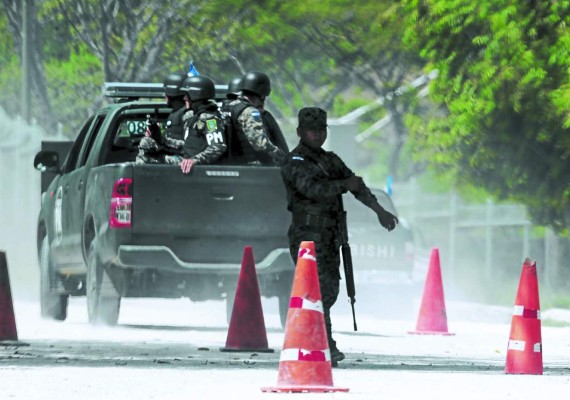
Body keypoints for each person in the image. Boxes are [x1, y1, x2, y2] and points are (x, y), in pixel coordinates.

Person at [280, 107, 399, 367]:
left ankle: (314, 337)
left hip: (330, 235)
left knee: (331, 289)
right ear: (300, 132)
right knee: (318, 290)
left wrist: (380, 211)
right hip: (307, 236)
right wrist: (344, 185)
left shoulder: (329, 159)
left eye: (322, 130)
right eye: (312, 130)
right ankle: (324, 343)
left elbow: (356, 184)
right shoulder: (294, 161)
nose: (318, 135)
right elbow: (312, 189)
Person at [169, 75, 227, 174]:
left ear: (195, 94)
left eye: (187, 94)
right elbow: (188, 145)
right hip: (187, 165)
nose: (184, 98)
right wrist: (160, 139)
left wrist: (194, 160)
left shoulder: (210, 119)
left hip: (200, 170)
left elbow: (217, 146)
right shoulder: (193, 117)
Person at [226, 71, 286, 165]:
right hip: (249, 167)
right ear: (262, 95)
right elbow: (260, 142)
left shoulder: (225, 107)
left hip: (227, 164)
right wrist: (279, 154)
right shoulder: (249, 111)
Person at [136, 72, 187, 164]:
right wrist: (156, 134)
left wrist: (163, 141)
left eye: (166, 92)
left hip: (182, 159)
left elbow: (191, 145)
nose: (164, 96)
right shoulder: (175, 113)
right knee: (146, 141)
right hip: (171, 153)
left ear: (172, 92)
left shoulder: (187, 114)